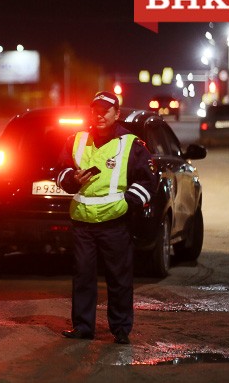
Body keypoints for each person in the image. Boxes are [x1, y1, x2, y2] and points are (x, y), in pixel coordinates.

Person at [56, 91, 157, 344]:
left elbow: (148, 180)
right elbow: (59, 171)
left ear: (116, 114)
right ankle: (83, 327)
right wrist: (70, 179)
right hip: (83, 223)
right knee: (83, 278)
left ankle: (121, 329)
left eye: (106, 110)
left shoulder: (131, 144)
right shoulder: (77, 140)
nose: (100, 115)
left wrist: (128, 203)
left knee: (119, 279)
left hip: (115, 223)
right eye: (96, 110)